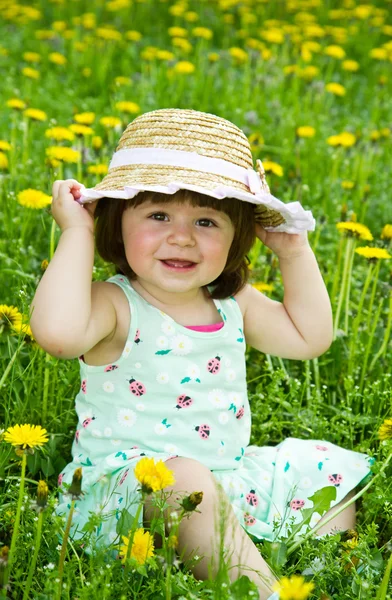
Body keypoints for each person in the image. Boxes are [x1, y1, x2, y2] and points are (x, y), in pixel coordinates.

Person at [30, 108, 372, 600]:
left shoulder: (233, 304)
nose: (183, 236)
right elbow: (57, 335)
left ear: (239, 238)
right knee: (184, 479)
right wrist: (76, 233)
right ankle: (264, 591)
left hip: (223, 479)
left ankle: (310, 560)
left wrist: (293, 251)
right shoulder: (115, 304)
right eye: (158, 215)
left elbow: (309, 337)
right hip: (132, 490)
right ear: (115, 224)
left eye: (207, 221)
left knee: (323, 471)